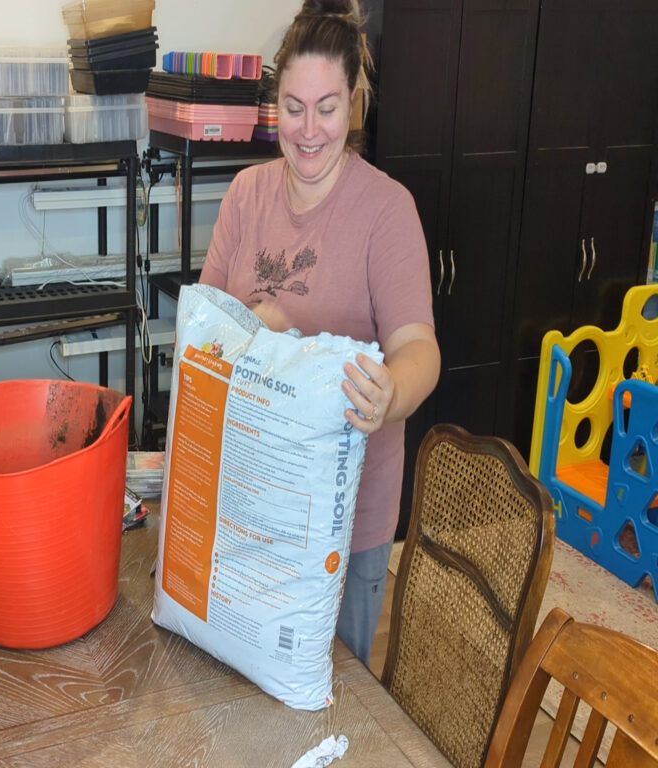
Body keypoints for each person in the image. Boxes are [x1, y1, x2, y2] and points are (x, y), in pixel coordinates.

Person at [198, 0, 440, 665]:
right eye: (293, 107)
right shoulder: (246, 194)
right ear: (274, 102)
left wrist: (391, 392)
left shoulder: (387, 211)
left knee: (330, 698)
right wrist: (256, 335)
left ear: (355, 100)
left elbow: (419, 348)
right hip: (249, 500)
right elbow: (205, 335)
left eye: (327, 108)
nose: (308, 130)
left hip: (342, 519)